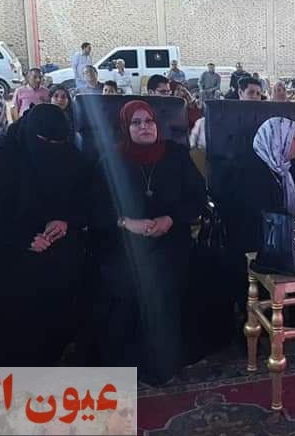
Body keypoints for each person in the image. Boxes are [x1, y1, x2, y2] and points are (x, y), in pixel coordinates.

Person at [0, 104, 88, 367]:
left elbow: (84, 196)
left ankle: (49, 352)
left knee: (69, 264)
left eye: (57, 142)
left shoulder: (68, 153)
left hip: (50, 237)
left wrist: (66, 220)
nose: (51, 147)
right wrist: (22, 240)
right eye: (45, 141)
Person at [89, 100, 206, 385]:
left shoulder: (176, 155)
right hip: (124, 243)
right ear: (125, 128)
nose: (145, 127)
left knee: (173, 277)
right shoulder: (112, 159)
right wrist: (127, 223)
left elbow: (197, 198)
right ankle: (133, 362)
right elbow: (94, 208)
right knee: (127, 282)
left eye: (149, 121)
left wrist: (170, 219)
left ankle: (168, 360)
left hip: (171, 236)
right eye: (136, 122)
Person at [222, 117, 295, 315]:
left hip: (288, 241)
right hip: (257, 245)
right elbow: (266, 217)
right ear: (279, 141)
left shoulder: (289, 166)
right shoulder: (248, 170)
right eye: (294, 139)